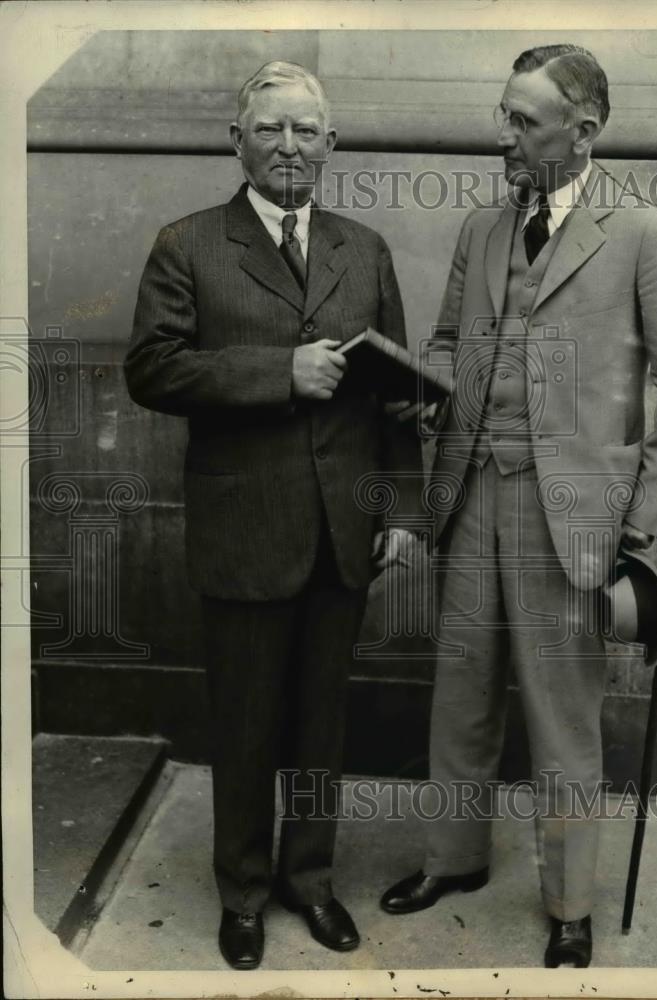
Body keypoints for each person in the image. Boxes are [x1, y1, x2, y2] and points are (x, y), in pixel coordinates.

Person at [380, 44, 657, 968]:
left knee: (562, 718)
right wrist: (426, 384)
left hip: (570, 521)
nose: (506, 135)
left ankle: (569, 901)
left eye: (524, 121)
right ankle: (452, 860)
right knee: (458, 698)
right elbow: (454, 343)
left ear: (585, 130)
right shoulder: (484, 231)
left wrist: (642, 524)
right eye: (504, 114)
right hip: (469, 496)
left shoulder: (645, 235)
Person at [125, 61, 420, 970]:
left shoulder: (362, 249)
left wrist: (402, 506)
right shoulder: (188, 244)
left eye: (305, 130)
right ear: (237, 141)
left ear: (332, 146)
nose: (288, 145)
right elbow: (152, 369)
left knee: (319, 723)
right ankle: (244, 893)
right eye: (271, 129)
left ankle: (312, 880)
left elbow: (397, 396)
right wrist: (275, 374)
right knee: (249, 722)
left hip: (343, 533)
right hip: (245, 533)